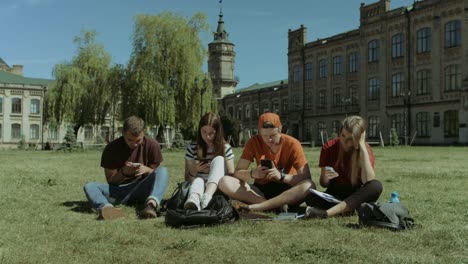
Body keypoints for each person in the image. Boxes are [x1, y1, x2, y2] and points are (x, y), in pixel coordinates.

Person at [218, 112, 315, 212]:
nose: (269, 140)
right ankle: (272, 206)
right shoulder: (253, 142)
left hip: (288, 189)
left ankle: (264, 206)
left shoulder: (293, 144)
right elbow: (237, 173)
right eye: (264, 135)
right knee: (224, 181)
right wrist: (253, 174)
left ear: (280, 129)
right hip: (261, 190)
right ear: (259, 131)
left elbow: (306, 177)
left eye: (273, 135)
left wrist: (281, 176)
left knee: (309, 185)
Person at [83, 116, 169, 220]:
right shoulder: (111, 148)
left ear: (144, 132)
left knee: (163, 170)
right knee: (90, 186)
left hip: (142, 188)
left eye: (138, 140)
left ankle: (151, 206)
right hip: (119, 191)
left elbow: (157, 177)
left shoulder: (152, 145)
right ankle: (107, 208)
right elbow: (111, 181)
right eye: (130, 140)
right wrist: (124, 172)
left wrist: (147, 170)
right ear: (123, 132)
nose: (134, 144)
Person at [304, 115, 383, 219]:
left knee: (376, 186)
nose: (344, 142)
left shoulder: (365, 150)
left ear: (358, 139)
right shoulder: (329, 147)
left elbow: (368, 180)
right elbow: (324, 184)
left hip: (356, 194)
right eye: (343, 135)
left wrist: (362, 147)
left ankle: (325, 213)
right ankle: (348, 209)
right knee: (310, 197)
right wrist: (325, 177)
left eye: (350, 139)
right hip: (336, 193)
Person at [183, 112, 235, 210]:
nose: (207, 136)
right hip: (197, 185)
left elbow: (231, 176)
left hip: (218, 187)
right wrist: (195, 169)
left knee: (219, 159)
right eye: (204, 132)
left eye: (211, 133)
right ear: (199, 130)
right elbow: (187, 178)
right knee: (198, 180)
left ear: (218, 132)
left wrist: (215, 170)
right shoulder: (192, 148)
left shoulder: (225, 148)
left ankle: (206, 197)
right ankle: (194, 201)